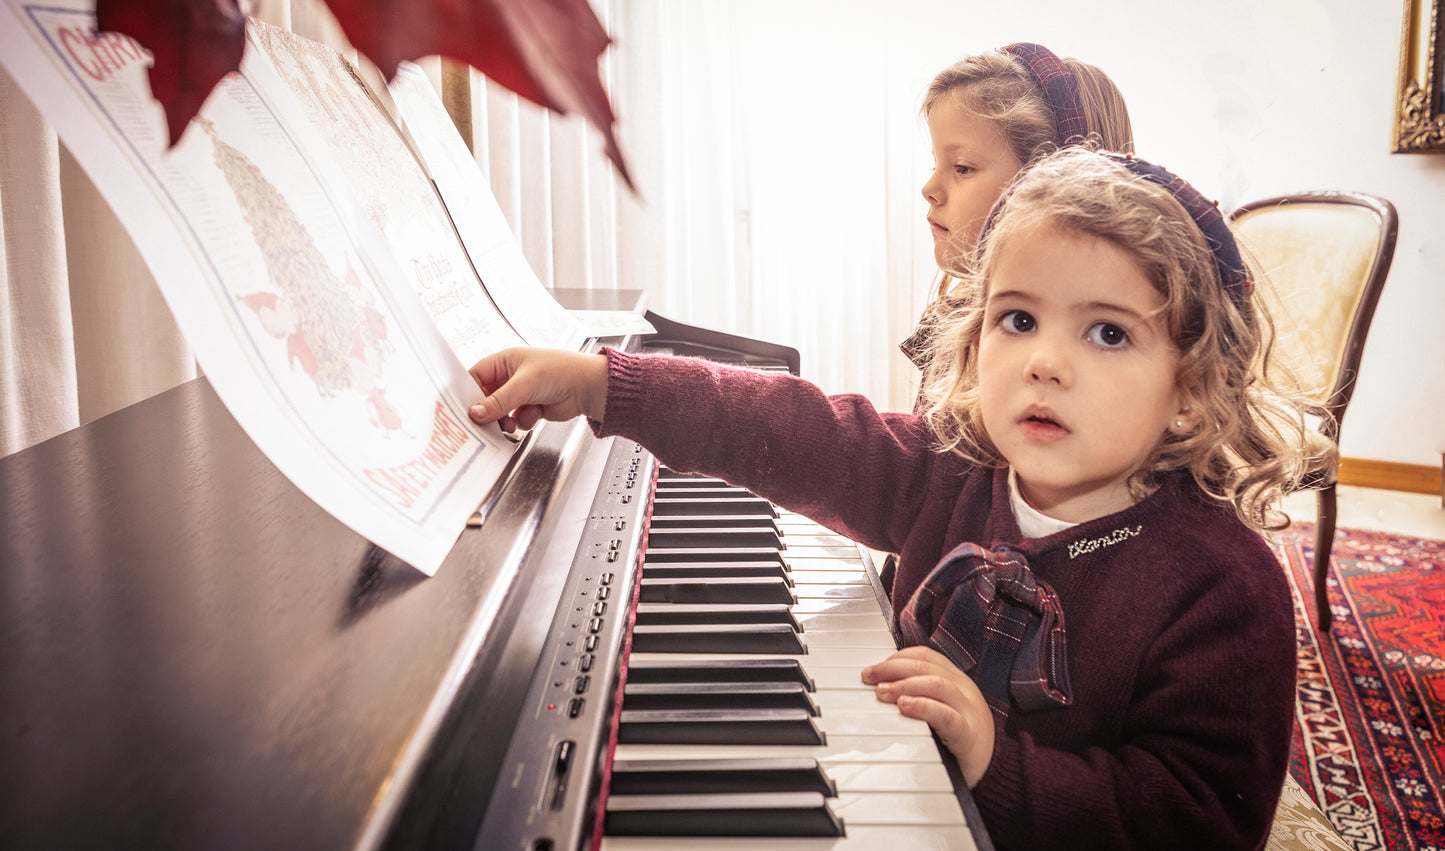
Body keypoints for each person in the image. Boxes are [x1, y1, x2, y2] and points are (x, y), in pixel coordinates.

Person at [466, 147, 1331, 850]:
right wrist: (605, 387)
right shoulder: (950, 468)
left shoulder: (1223, 589)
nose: (1044, 361)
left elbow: (1197, 820)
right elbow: (793, 432)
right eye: (1017, 318)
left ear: (1192, 386)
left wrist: (999, 762)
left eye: (1107, 332)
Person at [905, 43, 1134, 393]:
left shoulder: (1044, 353)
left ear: (1044, 186)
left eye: (962, 168)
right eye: (935, 165)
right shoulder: (960, 318)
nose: (930, 188)